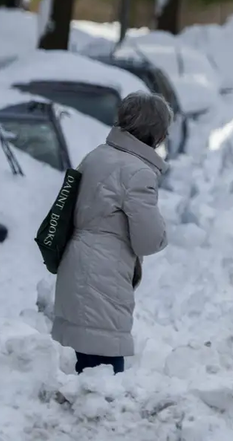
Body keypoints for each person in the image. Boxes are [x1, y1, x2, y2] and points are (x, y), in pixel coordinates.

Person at [51, 92, 172, 375]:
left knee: (81, 369)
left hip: (76, 263)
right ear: (157, 133)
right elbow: (149, 240)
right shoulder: (138, 173)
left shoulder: (97, 155)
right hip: (103, 275)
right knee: (103, 374)